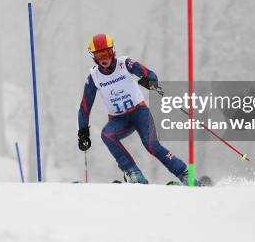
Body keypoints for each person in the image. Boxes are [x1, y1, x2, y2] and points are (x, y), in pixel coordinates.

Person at [77, 33, 195, 185]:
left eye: (106, 53)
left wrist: (150, 81)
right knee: (107, 135)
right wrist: (83, 132)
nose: (103, 58)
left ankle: (184, 174)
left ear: (112, 51)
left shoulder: (124, 63)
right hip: (119, 120)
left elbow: (150, 74)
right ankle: (134, 173)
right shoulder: (93, 77)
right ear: (94, 57)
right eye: (99, 55)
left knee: (151, 145)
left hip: (139, 113)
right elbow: (85, 107)